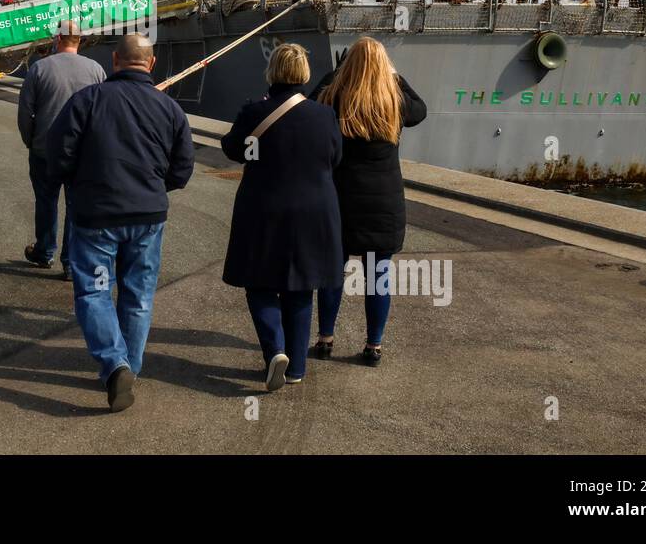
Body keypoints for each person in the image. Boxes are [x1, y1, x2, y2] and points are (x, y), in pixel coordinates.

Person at [45, 32, 194, 413]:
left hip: (97, 216)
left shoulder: (87, 101)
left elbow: (57, 153)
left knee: (95, 291)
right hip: (147, 217)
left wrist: (78, 185)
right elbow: (182, 169)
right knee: (138, 294)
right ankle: (130, 367)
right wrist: (153, 188)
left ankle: (115, 365)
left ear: (114, 60)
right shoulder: (169, 108)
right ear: (152, 63)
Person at [221, 43, 343, 390]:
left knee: (258, 283)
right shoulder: (324, 115)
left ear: (272, 71)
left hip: (263, 209)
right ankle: (297, 368)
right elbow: (335, 158)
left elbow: (234, 150)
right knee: (301, 288)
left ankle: (275, 350)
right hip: (314, 212)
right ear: (304, 73)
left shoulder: (254, 112)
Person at [309, 37, 426, 365]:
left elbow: (309, 103)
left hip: (341, 198)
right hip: (384, 203)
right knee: (378, 276)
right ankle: (373, 346)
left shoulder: (335, 97)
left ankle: (325, 339)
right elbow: (421, 109)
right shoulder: (394, 101)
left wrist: (336, 73)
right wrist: (395, 76)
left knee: (333, 273)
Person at [17, 21, 105, 278]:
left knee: (46, 202)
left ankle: (44, 252)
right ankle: (70, 262)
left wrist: (30, 140)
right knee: (75, 205)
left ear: (58, 38)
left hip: (44, 150)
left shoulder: (39, 68)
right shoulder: (96, 70)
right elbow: (102, 113)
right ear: (80, 40)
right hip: (81, 153)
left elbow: (25, 112)